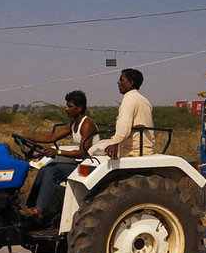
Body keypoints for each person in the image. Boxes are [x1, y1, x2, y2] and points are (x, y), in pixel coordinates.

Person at [19, 90, 100, 221]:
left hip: (88, 162)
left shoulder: (87, 124)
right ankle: (31, 205)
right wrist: (29, 138)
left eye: (70, 106)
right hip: (80, 160)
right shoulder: (74, 123)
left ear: (79, 108)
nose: (66, 109)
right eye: (66, 105)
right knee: (44, 168)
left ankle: (40, 209)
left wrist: (58, 152)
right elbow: (53, 137)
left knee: (53, 170)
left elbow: (83, 151)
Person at [105, 68, 154, 159]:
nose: (118, 83)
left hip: (132, 151)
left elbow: (124, 127)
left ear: (130, 83)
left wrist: (114, 143)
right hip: (146, 149)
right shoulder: (144, 100)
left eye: (121, 80)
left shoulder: (129, 99)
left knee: (92, 150)